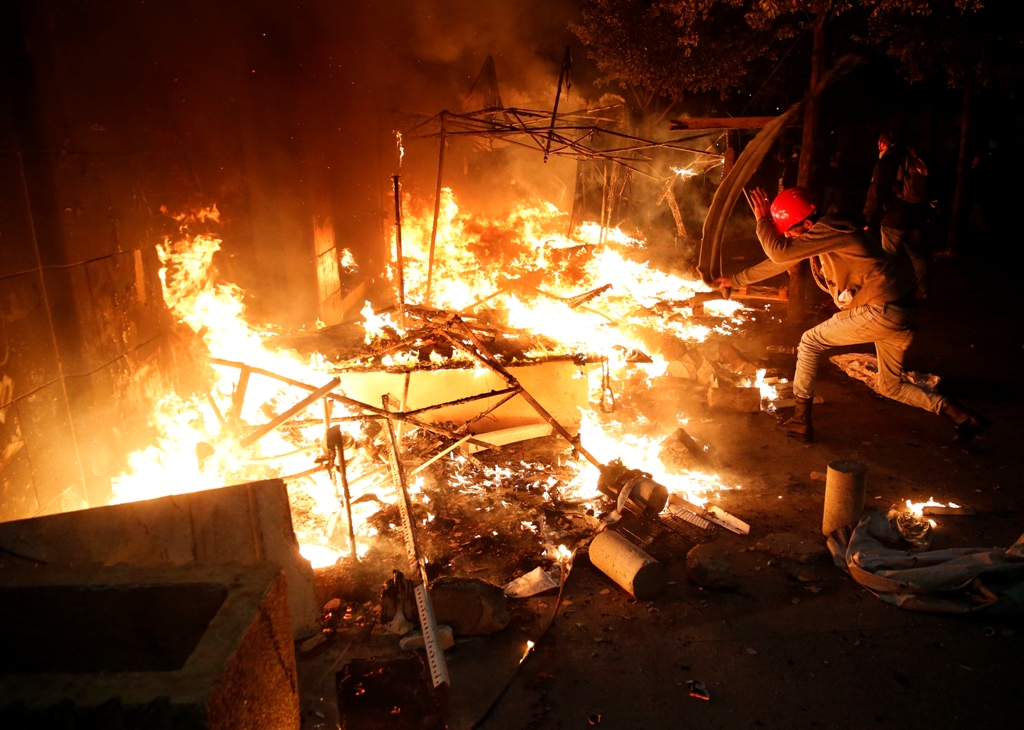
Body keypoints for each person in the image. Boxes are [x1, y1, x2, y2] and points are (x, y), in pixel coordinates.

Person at [715, 186, 985, 444]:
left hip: (880, 310)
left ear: (807, 224)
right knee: (890, 386)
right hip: (900, 311)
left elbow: (777, 250)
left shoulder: (830, 230)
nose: (789, 237)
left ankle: (800, 420)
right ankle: (962, 417)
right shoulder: (826, 231)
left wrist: (762, 221)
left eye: (790, 231)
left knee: (809, 341)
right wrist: (735, 281)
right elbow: (779, 260)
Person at [863, 131, 931, 296]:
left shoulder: (888, 160)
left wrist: (866, 218)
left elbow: (876, 191)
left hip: (895, 217)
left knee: (888, 256)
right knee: (917, 253)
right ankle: (924, 289)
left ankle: (888, 291)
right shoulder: (914, 157)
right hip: (917, 215)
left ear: (882, 144)